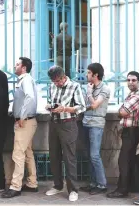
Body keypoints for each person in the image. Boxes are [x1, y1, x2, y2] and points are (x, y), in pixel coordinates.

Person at [45, 66, 86, 202]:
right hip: (54, 123)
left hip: (68, 124)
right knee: (54, 155)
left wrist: (65, 108)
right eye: (53, 81)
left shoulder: (75, 86)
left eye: (57, 81)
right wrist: (49, 106)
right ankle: (57, 185)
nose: (55, 84)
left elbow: (81, 107)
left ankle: (73, 190)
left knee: (69, 158)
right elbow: (51, 101)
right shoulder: (52, 86)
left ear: (63, 77)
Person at [1, 57, 38, 198]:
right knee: (27, 153)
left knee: (18, 154)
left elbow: (30, 97)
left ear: (23, 68)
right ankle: (32, 183)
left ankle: (15, 186)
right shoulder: (24, 80)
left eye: (17, 64)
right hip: (28, 121)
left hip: (25, 122)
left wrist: (21, 116)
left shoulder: (26, 80)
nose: (15, 66)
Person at [107, 71, 139, 198]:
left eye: (133, 80)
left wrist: (121, 111)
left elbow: (123, 112)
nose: (130, 82)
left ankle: (122, 190)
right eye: (128, 80)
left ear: (138, 81)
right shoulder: (131, 94)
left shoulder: (137, 97)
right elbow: (122, 111)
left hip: (132, 131)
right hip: (130, 131)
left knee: (123, 161)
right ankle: (132, 186)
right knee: (128, 160)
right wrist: (121, 111)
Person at [80, 63, 110, 195]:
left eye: (88, 73)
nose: (86, 75)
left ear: (95, 75)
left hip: (96, 124)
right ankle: (93, 183)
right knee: (89, 155)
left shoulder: (105, 89)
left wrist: (89, 92)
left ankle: (102, 184)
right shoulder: (89, 87)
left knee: (94, 155)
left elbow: (94, 105)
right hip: (86, 122)